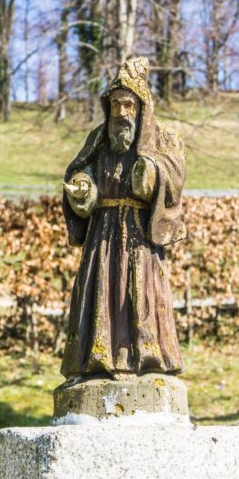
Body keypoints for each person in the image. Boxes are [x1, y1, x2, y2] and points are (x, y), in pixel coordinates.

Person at [60, 58, 187, 380]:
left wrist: (152, 173)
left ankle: (149, 359)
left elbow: (175, 175)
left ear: (141, 106)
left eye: (128, 104)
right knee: (98, 292)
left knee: (142, 294)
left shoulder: (162, 138)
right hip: (101, 232)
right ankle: (95, 362)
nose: (122, 112)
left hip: (139, 235)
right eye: (116, 104)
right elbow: (81, 171)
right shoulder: (98, 138)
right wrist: (82, 188)